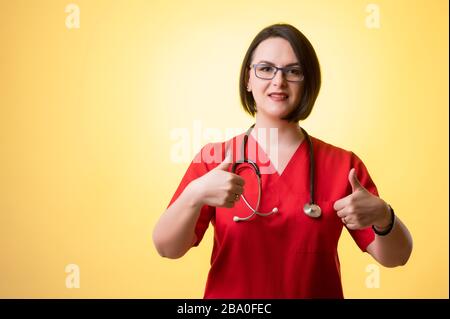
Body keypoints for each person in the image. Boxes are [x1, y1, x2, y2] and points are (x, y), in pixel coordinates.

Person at [153, 23, 413, 299]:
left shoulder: (342, 166)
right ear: (248, 80)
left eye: (294, 71)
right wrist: (195, 194)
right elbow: (167, 248)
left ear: (308, 81)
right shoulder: (215, 160)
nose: (279, 81)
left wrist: (384, 215)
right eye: (265, 69)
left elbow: (396, 257)